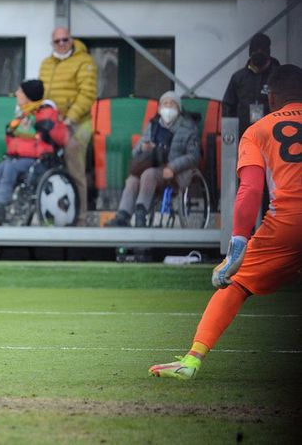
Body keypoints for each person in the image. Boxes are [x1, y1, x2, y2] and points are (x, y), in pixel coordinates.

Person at [149, 64, 302, 380]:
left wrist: (238, 243)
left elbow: (250, 190)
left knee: (236, 283)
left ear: (271, 97)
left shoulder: (259, 130)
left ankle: (191, 361)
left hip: (288, 223)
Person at [106, 91, 201, 228]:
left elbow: (193, 156)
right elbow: (135, 151)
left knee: (148, 174)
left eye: (172, 104)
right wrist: (143, 147)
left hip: (174, 171)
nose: (168, 107)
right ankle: (123, 215)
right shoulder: (154, 125)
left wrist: (172, 167)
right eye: (165, 103)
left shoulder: (188, 128)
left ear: (179, 108)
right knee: (133, 179)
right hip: (152, 165)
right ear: (160, 108)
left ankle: (140, 213)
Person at [0, 79, 68, 226]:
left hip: (38, 159)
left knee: (9, 168)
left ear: (28, 95)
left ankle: (0, 206)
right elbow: (12, 141)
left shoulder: (46, 113)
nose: (16, 94)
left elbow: (61, 137)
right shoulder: (23, 115)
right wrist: (10, 132)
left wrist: (47, 127)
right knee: (0, 168)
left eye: (20, 91)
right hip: (18, 158)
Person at [39, 27, 97, 225]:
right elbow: (41, 94)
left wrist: (70, 118)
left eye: (65, 39)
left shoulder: (84, 61)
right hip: (53, 121)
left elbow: (87, 94)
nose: (62, 44)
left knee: (74, 160)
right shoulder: (46, 64)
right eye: (58, 41)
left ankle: (80, 217)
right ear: (52, 43)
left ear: (71, 40)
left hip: (79, 122)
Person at [222, 32, 280, 139]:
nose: (259, 52)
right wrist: (230, 135)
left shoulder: (279, 76)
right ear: (250, 52)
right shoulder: (238, 78)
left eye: (262, 50)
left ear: (268, 52)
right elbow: (228, 107)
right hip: (244, 136)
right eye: (255, 50)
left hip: (273, 136)